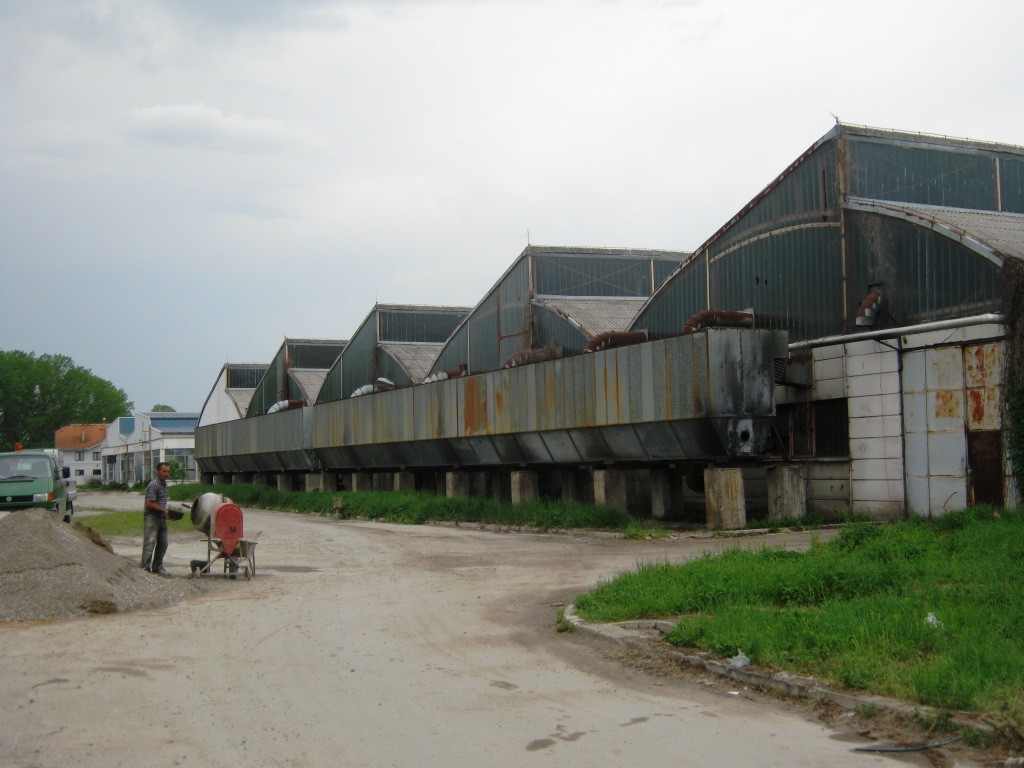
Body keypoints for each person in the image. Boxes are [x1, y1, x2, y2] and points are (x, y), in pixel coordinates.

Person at [142, 461, 172, 575]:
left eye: (168, 471)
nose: (166, 474)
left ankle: (157, 567)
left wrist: (165, 512)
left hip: (161, 517)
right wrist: (162, 510)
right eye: (164, 471)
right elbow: (149, 503)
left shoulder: (164, 484)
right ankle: (145, 569)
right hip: (152, 517)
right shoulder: (154, 484)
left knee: (163, 543)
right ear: (158, 471)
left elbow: (160, 503)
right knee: (150, 543)